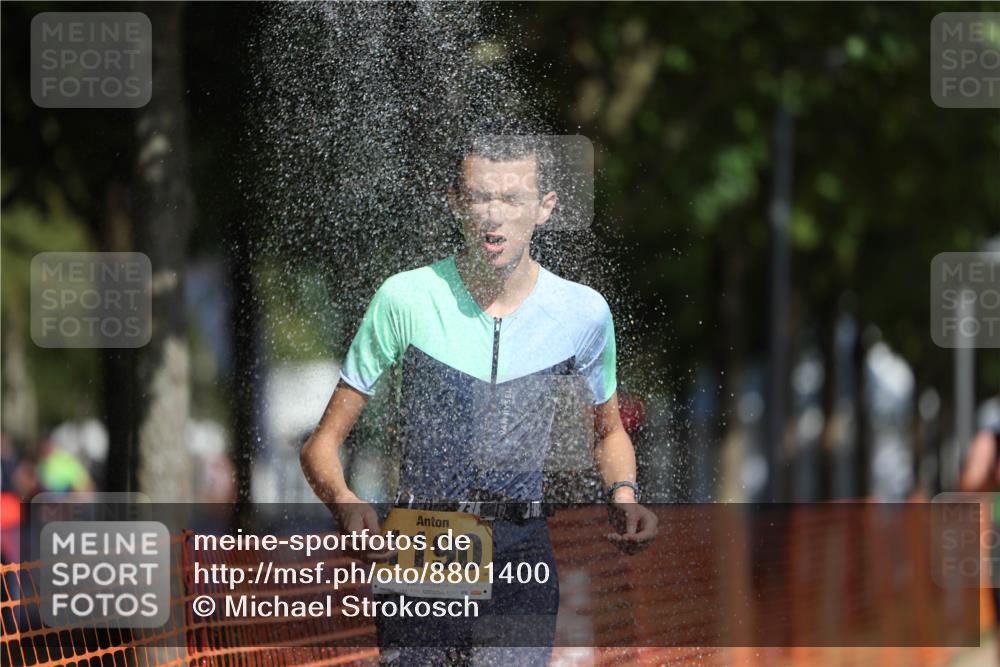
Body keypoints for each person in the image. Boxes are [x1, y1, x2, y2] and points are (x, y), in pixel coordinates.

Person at [300, 134, 658, 666]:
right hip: (422, 546)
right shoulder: (405, 298)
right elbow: (320, 445)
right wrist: (346, 504)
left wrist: (624, 495)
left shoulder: (582, 313)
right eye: (479, 197)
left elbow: (608, 433)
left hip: (521, 552)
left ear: (545, 208)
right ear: (455, 202)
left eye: (512, 199)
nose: (494, 215)